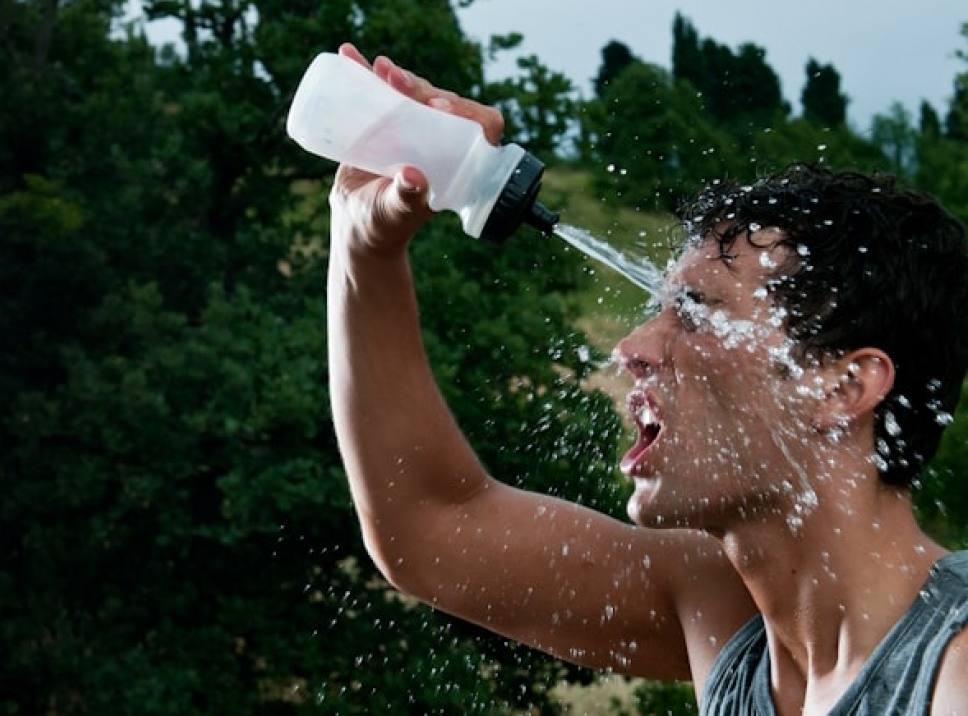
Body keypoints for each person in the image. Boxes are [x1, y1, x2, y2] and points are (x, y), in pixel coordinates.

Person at [325, 43, 968, 714]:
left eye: (696, 312)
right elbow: (431, 526)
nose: (632, 348)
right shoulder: (722, 610)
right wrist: (363, 247)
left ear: (843, 386)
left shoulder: (952, 674)